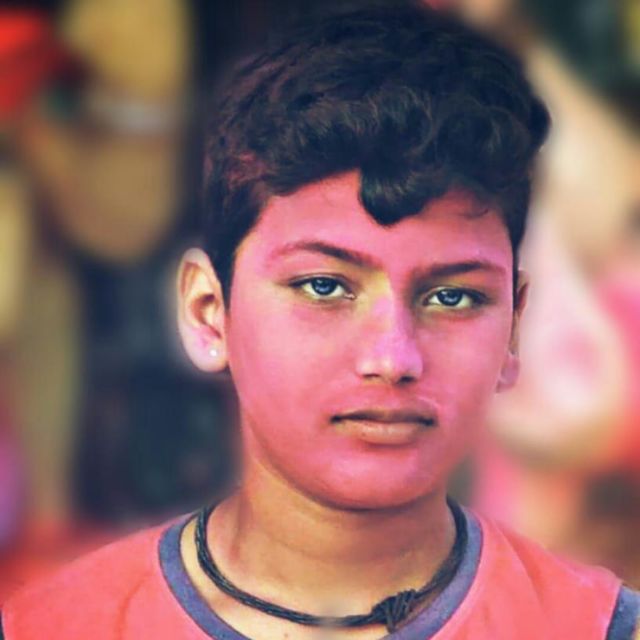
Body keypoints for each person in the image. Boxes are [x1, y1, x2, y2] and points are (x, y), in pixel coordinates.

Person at [2, 1, 639, 638]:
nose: (392, 358)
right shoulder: (51, 629)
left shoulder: (595, 627)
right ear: (208, 313)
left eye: (451, 298)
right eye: (324, 286)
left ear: (514, 331)